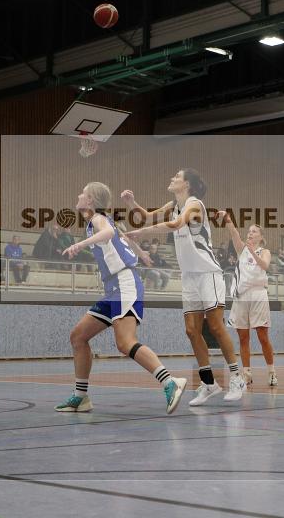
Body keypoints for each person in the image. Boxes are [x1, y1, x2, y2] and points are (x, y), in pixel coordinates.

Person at [55, 182, 186, 414]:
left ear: (91, 201)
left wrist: (79, 244)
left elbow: (109, 233)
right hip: (113, 289)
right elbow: (122, 236)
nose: (78, 195)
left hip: (124, 285)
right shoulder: (104, 219)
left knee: (125, 343)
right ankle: (80, 397)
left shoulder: (97, 219)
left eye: (83, 193)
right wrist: (141, 253)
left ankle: (170, 381)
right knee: (78, 336)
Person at [122, 169, 247, 406]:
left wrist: (142, 233)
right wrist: (131, 203)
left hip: (208, 272)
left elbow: (175, 224)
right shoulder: (174, 204)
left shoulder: (194, 204)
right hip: (189, 276)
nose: (172, 178)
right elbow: (147, 216)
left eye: (176, 176)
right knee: (191, 330)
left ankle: (237, 378)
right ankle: (209, 383)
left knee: (217, 327)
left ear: (187, 183)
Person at [219, 212, 277, 387]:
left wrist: (252, 251)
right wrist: (228, 220)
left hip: (258, 294)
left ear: (261, 237)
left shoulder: (264, 251)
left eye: (254, 231)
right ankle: (247, 373)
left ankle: (272, 372)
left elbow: (265, 265)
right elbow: (234, 233)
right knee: (243, 337)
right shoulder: (241, 249)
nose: (250, 233)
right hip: (242, 296)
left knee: (262, 336)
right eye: (249, 231)